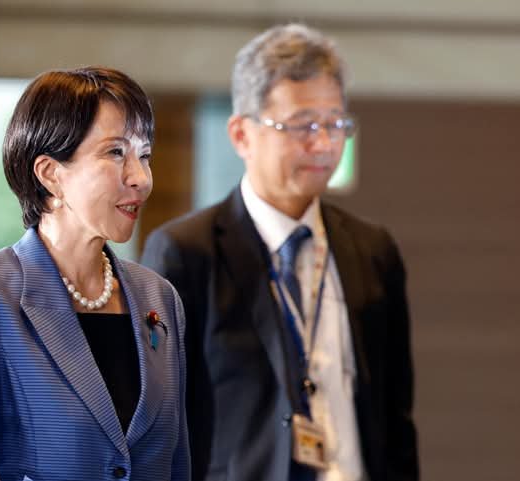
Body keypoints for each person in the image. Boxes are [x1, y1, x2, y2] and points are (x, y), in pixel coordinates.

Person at [141, 24, 418, 481]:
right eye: (302, 125)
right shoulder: (185, 253)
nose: (323, 144)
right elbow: (160, 420)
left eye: (335, 124)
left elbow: (396, 418)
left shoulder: (372, 250)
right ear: (241, 134)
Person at [0, 66, 189, 481]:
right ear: (50, 174)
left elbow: (177, 458)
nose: (140, 178)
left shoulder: (159, 297)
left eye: (145, 155)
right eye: (116, 153)